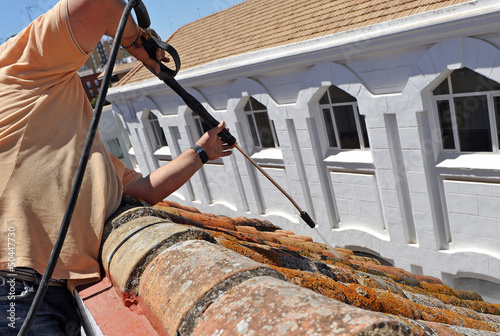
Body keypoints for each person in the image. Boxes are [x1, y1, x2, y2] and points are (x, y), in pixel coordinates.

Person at [0, 0, 232, 334]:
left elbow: (143, 191)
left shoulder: (84, 149)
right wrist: (140, 44)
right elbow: (98, 4)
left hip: (48, 298)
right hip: (14, 292)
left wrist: (202, 151)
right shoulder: (17, 65)